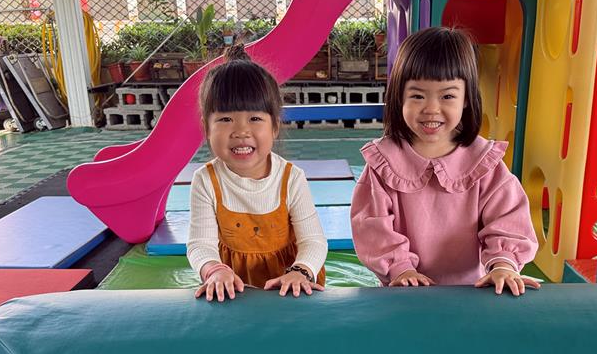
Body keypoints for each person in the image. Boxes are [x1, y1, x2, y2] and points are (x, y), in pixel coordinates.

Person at [350, 27, 539, 295]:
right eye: (417, 96)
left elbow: (508, 218)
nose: (431, 109)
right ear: (399, 97)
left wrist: (503, 263)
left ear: (466, 99)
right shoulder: (384, 163)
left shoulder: (483, 162)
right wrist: (401, 268)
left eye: (447, 96)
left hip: (471, 293)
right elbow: (372, 226)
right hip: (404, 291)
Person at [187, 45, 327, 302]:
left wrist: (301, 271)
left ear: (274, 126)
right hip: (235, 291)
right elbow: (200, 244)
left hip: (291, 290)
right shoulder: (205, 180)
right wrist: (214, 270)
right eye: (225, 119)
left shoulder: (291, 178)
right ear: (206, 128)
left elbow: (314, 241)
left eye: (254, 119)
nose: (241, 131)